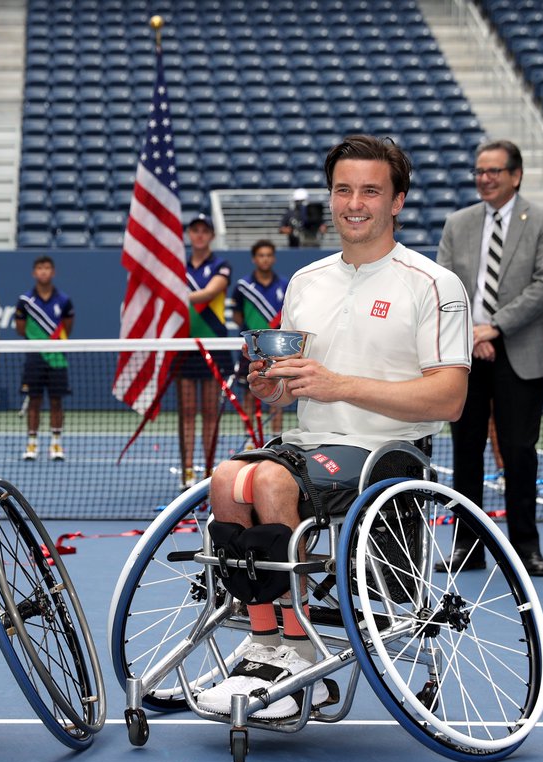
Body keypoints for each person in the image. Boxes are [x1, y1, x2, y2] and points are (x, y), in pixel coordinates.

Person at [197, 135, 471, 720]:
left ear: (397, 200)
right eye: (343, 190)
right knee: (225, 480)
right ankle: (265, 643)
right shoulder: (306, 281)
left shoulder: (434, 284)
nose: (354, 203)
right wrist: (271, 386)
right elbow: (291, 385)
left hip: (386, 451)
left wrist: (339, 384)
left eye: (370, 190)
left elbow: (450, 397)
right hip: (306, 446)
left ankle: (301, 660)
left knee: (269, 482)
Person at [434, 140, 543, 578]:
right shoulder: (458, 222)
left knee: (519, 452)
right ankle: (466, 548)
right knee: (466, 452)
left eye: (493, 171)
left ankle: (526, 548)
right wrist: (473, 332)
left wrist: (495, 327)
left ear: (515, 175)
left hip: (520, 351)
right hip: (467, 351)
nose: (484, 178)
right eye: (479, 171)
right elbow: (445, 285)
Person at [174, 213, 234, 488]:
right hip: (184, 345)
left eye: (204, 231)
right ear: (189, 235)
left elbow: (210, 293)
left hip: (214, 345)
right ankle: (187, 472)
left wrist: (174, 296)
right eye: (194, 230)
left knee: (210, 412)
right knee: (186, 412)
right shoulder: (176, 268)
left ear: (211, 235)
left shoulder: (221, 266)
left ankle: (208, 473)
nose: (199, 235)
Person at [14, 255, 75, 461]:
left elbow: (68, 327)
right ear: (34, 273)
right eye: (40, 268)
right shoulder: (25, 302)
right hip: (35, 359)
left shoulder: (64, 300)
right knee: (34, 401)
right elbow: (20, 329)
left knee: (56, 401)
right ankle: (32, 444)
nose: (43, 271)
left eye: (47, 268)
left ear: (53, 272)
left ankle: (56, 444)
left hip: (57, 359)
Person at [232, 239, 288, 441]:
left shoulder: (285, 285)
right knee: (249, 391)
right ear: (254, 259)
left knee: (277, 391)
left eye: (268, 255)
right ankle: (250, 438)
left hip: (276, 347)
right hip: (251, 348)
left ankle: (275, 438)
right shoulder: (243, 287)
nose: (265, 259)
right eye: (261, 255)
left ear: (273, 258)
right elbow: (237, 316)